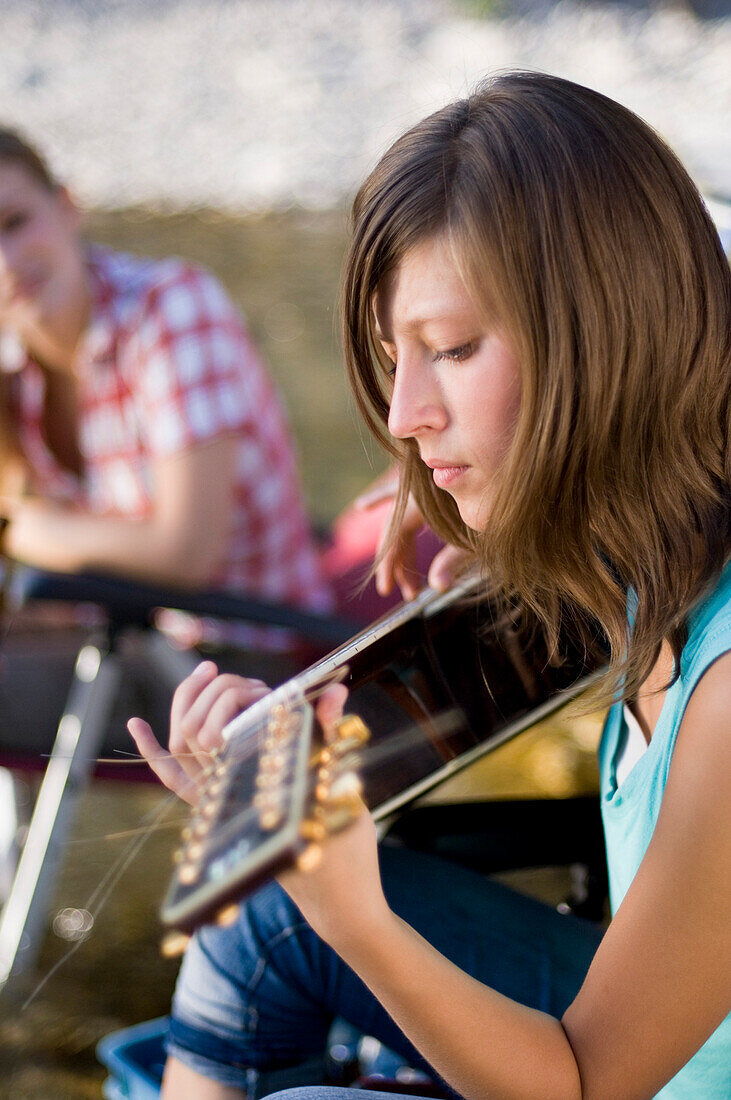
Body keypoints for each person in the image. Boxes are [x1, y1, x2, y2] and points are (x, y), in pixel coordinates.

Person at [129, 72, 731, 1100]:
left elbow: (586, 1082)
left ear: (608, 339)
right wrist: (275, 814)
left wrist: (351, 912)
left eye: (450, 349)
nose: (405, 410)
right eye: (390, 355)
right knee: (259, 920)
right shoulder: (643, 552)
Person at [0, 126, 330, 611]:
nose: (5, 262)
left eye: (15, 222)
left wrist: (24, 531)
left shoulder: (170, 307)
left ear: (67, 206)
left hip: (250, 643)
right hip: (119, 637)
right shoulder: (11, 360)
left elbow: (187, 553)